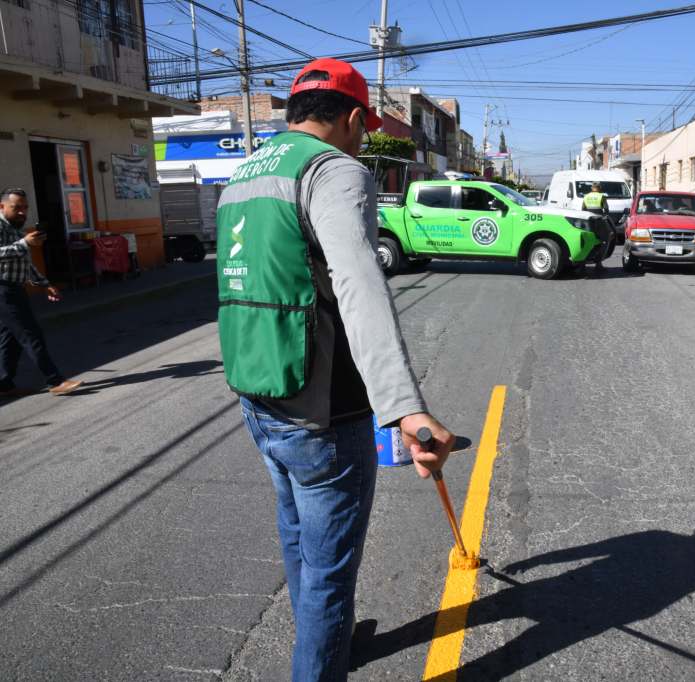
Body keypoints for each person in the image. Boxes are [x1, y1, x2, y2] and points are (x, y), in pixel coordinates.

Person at [215, 58, 455, 682]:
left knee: (297, 537)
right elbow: (359, 284)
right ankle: (321, 658)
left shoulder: (245, 173)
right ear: (351, 119)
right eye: (362, 126)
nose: (360, 137)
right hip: (324, 412)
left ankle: (328, 641)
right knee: (328, 576)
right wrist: (405, 408)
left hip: (259, 392)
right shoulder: (334, 170)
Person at [0, 188, 82, 398]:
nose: (22, 212)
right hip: (3, 290)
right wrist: (25, 243)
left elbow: (23, 263)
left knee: (10, 340)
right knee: (30, 334)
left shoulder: (15, 229)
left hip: (14, 288)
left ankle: (3, 384)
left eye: (25, 208)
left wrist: (45, 284)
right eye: (16, 208)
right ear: (2, 207)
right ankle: (55, 381)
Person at [580, 182, 613, 269]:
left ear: (592, 188)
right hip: (599, 222)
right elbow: (606, 210)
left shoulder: (586, 196)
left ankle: (582, 263)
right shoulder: (602, 196)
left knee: (586, 242)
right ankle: (598, 263)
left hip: (588, 222)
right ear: (599, 188)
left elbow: (583, 209)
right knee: (604, 240)